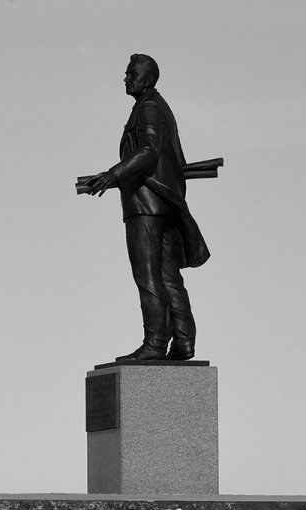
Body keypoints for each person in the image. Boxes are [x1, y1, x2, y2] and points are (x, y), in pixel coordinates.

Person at [85, 53, 210, 361]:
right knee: (168, 277)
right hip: (162, 204)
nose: (126, 77)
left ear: (148, 78)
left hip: (145, 204)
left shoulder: (149, 107)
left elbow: (150, 151)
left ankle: (155, 342)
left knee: (149, 276)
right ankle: (183, 341)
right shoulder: (156, 106)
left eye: (131, 73)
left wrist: (112, 174)